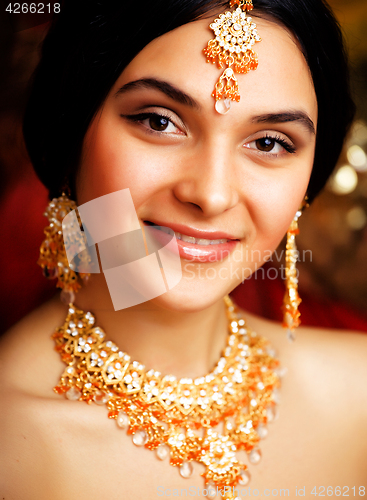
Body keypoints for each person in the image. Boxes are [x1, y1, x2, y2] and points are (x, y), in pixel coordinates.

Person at [0, 0, 366, 498]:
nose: (211, 194)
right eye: (158, 121)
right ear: (71, 131)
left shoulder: (357, 392)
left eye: (268, 143)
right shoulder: (13, 443)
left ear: (307, 183)